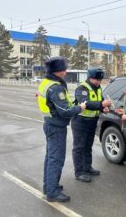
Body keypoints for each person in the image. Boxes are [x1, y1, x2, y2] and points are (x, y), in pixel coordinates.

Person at [37, 57, 86, 203]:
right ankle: (52, 192)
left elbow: (62, 105)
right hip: (56, 126)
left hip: (50, 124)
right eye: (63, 69)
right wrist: (80, 108)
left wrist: (73, 105)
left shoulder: (46, 82)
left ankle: (49, 186)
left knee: (50, 158)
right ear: (57, 71)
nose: (65, 72)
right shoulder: (56, 87)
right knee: (56, 159)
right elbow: (64, 111)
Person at [71, 68, 112, 183]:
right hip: (80, 121)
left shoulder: (98, 88)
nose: (99, 82)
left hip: (92, 121)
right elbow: (86, 103)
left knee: (88, 146)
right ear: (90, 77)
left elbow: (100, 102)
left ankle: (87, 167)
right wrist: (101, 104)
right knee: (79, 147)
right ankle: (79, 172)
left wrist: (104, 108)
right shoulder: (82, 88)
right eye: (96, 79)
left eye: (100, 79)